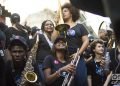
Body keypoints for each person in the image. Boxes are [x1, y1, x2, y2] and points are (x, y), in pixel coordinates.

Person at [59, 3, 89, 86]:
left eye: (65, 11)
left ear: (71, 12)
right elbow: (53, 40)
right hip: (64, 59)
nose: (63, 13)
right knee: (67, 82)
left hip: (78, 58)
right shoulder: (60, 27)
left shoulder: (80, 26)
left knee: (81, 80)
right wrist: (56, 22)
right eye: (62, 12)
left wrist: (78, 53)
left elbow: (86, 41)